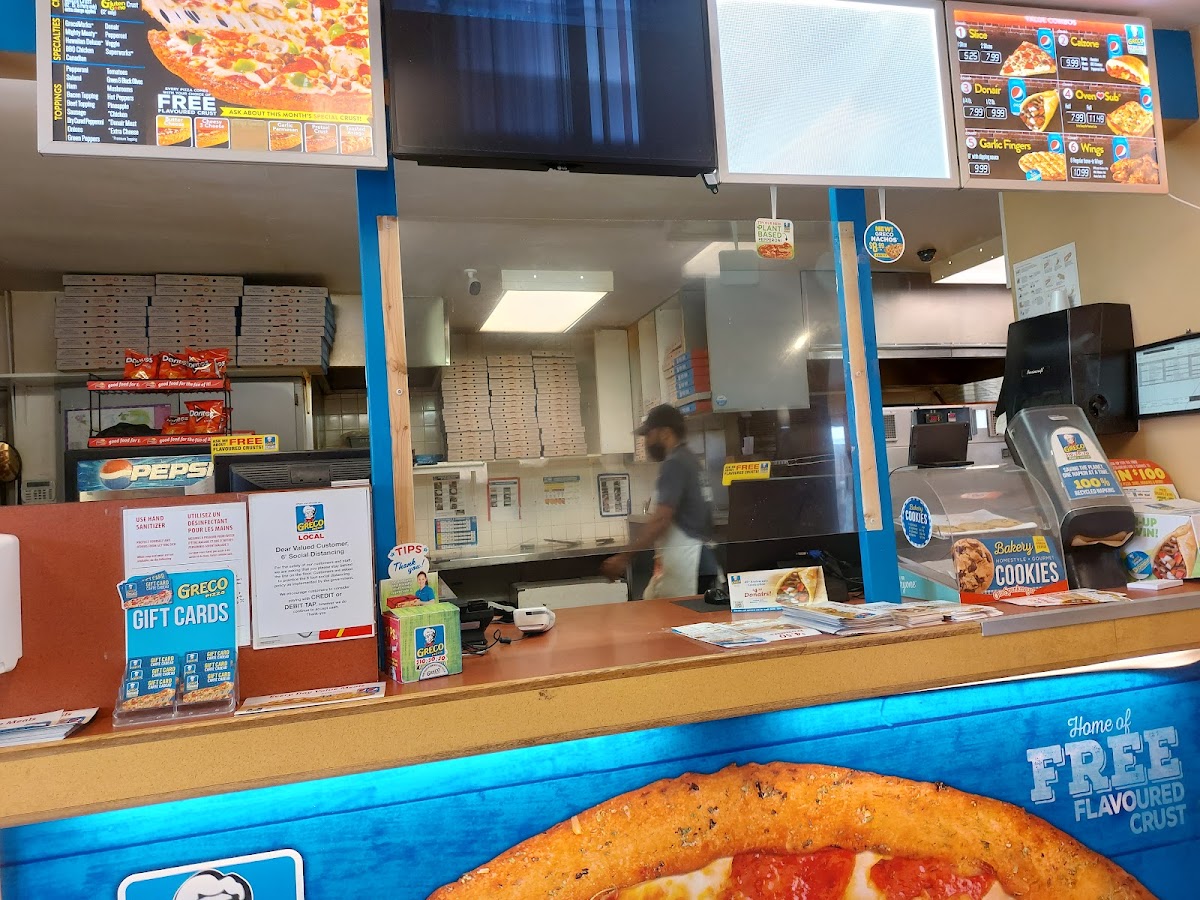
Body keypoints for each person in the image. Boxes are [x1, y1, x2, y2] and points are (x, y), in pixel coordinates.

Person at [602, 404, 712, 599]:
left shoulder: (674, 464)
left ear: (665, 433)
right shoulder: (691, 460)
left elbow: (661, 519)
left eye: (649, 435)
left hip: (687, 564)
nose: (646, 442)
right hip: (701, 561)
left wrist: (623, 557)